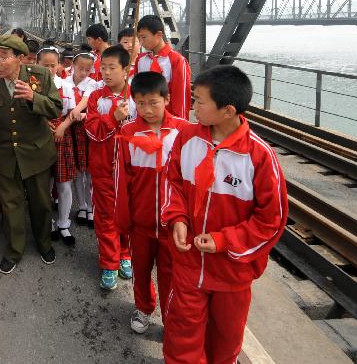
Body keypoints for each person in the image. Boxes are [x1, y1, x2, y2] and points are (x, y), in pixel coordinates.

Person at [161, 65, 287, 364]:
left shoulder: (258, 156)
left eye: (200, 101)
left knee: (225, 343)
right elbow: (172, 182)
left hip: (232, 273)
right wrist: (177, 218)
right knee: (181, 340)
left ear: (227, 110)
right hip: (188, 265)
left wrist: (223, 241)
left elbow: (271, 221)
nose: (193, 108)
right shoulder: (187, 138)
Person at [0, 34, 62, 274]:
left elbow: (55, 108)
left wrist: (35, 98)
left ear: (20, 58)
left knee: (41, 203)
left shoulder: (40, 76)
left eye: (4, 58)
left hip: (36, 151)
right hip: (6, 151)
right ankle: (14, 249)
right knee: (10, 205)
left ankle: (44, 243)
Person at [116, 71, 189, 334]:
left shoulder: (183, 131)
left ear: (167, 99)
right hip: (141, 221)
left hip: (173, 225)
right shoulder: (127, 132)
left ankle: (171, 317)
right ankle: (144, 307)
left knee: (172, 274)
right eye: (140, 103)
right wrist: (123, 218)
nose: (147, 110)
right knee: (141, 269)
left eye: (153, 103)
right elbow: (121, 179)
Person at [85, 44, 136, 290]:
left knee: (128, 215)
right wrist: (113, 119)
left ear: (126, 70)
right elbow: (92, 132)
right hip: (103, 169)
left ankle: (125, 254)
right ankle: (109, 261)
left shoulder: (136, 98)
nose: (106, 73)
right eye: (102, 67)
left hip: (130, 170)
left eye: (112, 68)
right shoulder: (96, 98)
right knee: (106, 217)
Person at [35, 46, 77, 246]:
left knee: (64, 183)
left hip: (61, 137)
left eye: (53, 65)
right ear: (37, 65)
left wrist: (61, 128)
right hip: (40, 139)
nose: (50, 69)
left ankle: (63, 223)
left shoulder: (66, 86)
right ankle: (48, 222)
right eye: (45, 65)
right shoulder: (33, 85)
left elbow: (72, 112)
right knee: (44, 184)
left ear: (59, 65)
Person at [64, 50, 100, 227]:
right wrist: (74, 114)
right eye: (80, 68)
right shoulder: (65, 83)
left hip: (87, 131)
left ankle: (92, 206)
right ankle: (82, 206)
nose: (84, 72)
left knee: (90, 171)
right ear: (73, 66)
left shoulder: (93, 84)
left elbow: (86, 103)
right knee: (78, 171)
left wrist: (77, 113)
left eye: (88, 69)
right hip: (71, 132)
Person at [134, 15, 192, 119]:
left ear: (159, 35)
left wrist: (179, 126)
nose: (141, 42)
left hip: (167, 121)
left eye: (144, 37)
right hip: (144, 118)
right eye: (139, 38)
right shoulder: (140, 60)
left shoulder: (177, 60)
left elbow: (181, 97)